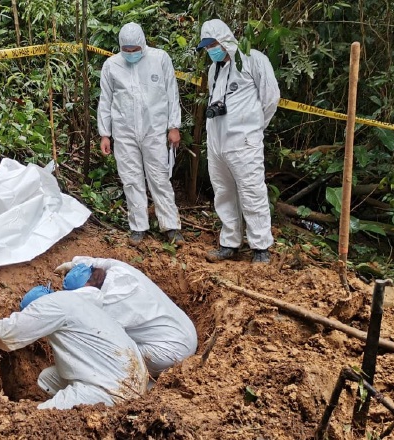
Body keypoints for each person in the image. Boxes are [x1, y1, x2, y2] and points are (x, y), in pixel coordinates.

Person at [0, 285, 148, 410]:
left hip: (112, 390)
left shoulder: (46, 308)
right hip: (135, 377)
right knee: (47, 379)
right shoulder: (74, 299)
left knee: (40, 418)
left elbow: (6, 335)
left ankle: (88, 409)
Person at [196, 19, 280, 263]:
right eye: (207, 46)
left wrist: (253, 127)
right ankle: (229, 242)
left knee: (252, 191)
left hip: (244, 141)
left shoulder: (253, 59)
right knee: (223, 192)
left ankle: (260, 247)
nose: (211, 49)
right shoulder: (214, 69)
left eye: (213, 44)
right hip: (217, 142)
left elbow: (271, 98)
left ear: (225, 39)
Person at [97, 22, 184, 247]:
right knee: (131, 179)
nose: (131, 53)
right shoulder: (111, 65)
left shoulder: (160, 59)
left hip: (154, 129)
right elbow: (105, 100)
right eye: (126, 50)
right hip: (124, 131)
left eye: (135, 49)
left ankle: (171, 226)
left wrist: (173, 126)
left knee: (159, 177)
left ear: (143, 44)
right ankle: (138, 227)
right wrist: (105, 134)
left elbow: (172, 93)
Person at [56, 258, 198, 377]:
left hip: (168, 354)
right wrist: (75, 263)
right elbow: (99, 262)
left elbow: (96, 340)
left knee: (105, 356)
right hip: (188, 331)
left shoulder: (109, 305)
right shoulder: (119, 269)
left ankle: (142, 386)